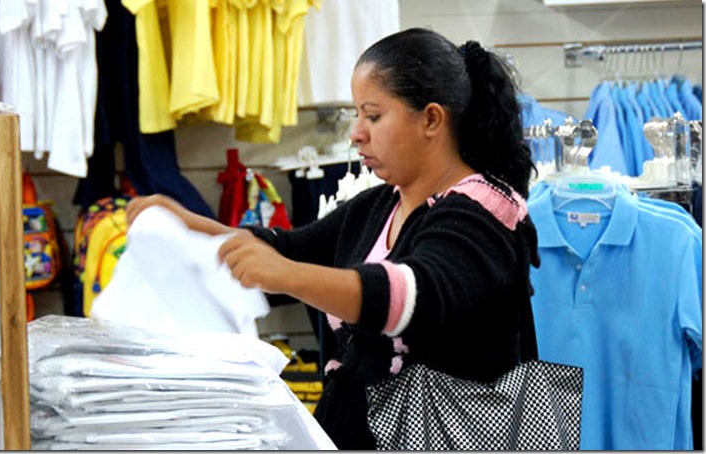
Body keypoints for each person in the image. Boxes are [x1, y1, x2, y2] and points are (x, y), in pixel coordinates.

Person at [126, 27, 541, 450]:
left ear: (431, 119)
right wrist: (185, 226)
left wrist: (287, 274)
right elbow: (283, 250)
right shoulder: (379, 206)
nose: (356, 133)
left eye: (373, 116)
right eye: (357, 115)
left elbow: (412, 294)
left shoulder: (484, 214)